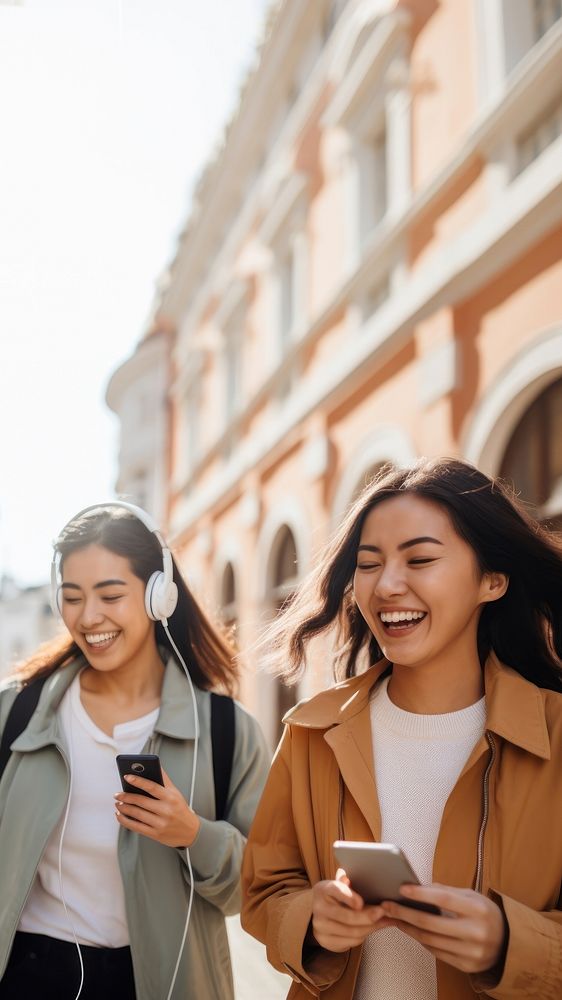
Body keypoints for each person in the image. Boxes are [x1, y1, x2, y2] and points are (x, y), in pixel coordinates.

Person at [241, 457, 562, 999]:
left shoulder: (555, 734)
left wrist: (511, 943)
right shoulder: (312, 731)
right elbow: (264, 891)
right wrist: (312, 922)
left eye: (420, 559)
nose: (387, 585)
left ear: (492, 579)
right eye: (369, 564)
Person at [0, 502, 269, 1000]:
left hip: (159, 982)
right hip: (26, 973)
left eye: (110, 594)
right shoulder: (15, 712)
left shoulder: (228, 731)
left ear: (157, 597)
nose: (88, 617)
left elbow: (258, 889)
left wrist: (192, 834)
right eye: (73, 597)